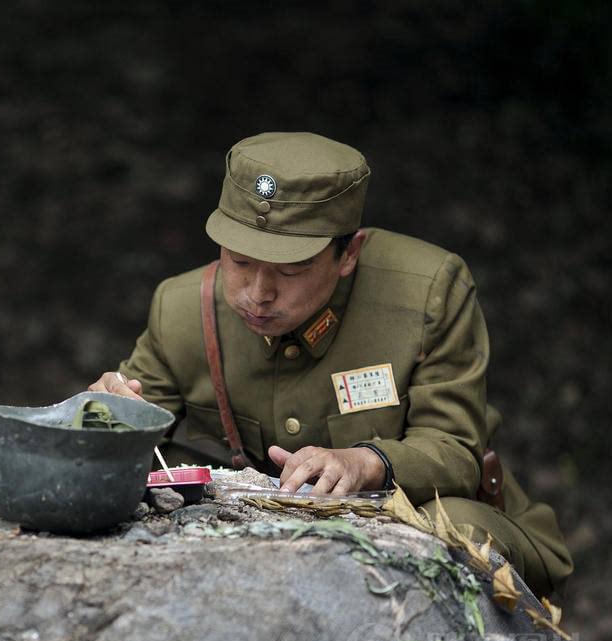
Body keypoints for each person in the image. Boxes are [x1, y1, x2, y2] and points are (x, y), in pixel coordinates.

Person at [90, 132, 571, 601]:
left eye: (291, 269)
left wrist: (367, 463)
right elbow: (124, 425)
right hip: (253, 540)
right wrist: (102, 414)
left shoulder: (426, 293)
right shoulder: (180, 308)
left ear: (349, 254)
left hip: (404, 510)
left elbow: (455, 448)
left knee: (455, 537)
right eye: (238, 261)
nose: (258, 292)